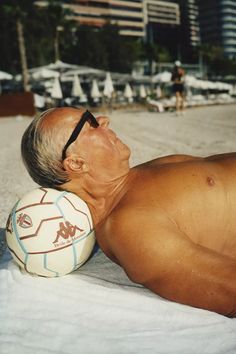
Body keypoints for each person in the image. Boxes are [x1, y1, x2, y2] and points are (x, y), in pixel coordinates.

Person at [21, 107, 236, 317]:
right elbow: (228, 290)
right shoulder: (129, 229)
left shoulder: (136, 178)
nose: (104, 120)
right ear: (77, 163)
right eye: (90, 122)